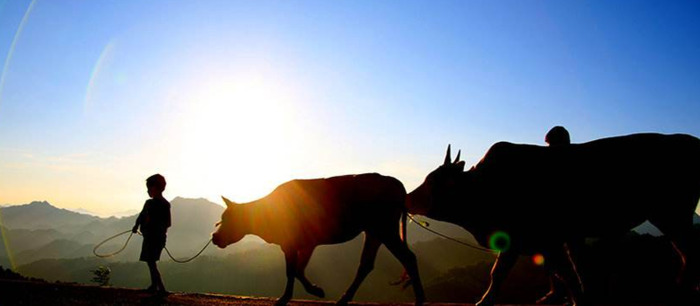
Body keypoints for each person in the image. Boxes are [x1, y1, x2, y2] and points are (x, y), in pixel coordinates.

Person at [132, 174, 171, 294]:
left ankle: (160, 287)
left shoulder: (159, 204)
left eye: (149, 188)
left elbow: (166, 223)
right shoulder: (154, 203)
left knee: (151, 262)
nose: (148, 190)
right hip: (153, 237)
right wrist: (137, 225)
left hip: (154, 238)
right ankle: (156, 286)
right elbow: (141, 216)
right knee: (151, 262)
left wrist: (143, 227)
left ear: (155, 188)